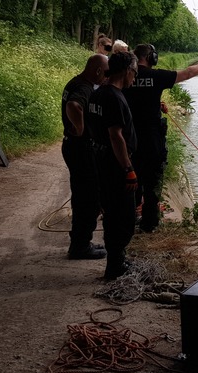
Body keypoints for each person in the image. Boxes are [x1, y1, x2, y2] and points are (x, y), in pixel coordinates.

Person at [123, 44, 198, 232]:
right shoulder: (156, 76)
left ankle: (128, 219)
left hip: (127, 137)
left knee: (130, 178)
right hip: (151, 139)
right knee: (152, 182)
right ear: (152, 58)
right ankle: (149, 224)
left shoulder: (124, 76)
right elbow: (189, 73)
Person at [87, 51, 139, 280]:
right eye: (135, 73)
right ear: (127, 70)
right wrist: (128, 170)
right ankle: (116, 266)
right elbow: (116, 136)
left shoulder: (98, 93)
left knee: (111, 213)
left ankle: (115, 262)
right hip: (116, 165)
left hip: (100, 160)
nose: (135, 78)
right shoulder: (115, 98)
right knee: (125, 216)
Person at [61, 54, 108, 260]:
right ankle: (80, 246)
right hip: (81, 148)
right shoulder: (85, 88)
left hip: (72, 146)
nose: (105, 78)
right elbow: (74, 105)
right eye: (105, 73)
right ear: (97, 71)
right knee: (88, 198)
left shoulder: (75, 81)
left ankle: (81, 242)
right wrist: (80, 127)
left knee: (82, 195)